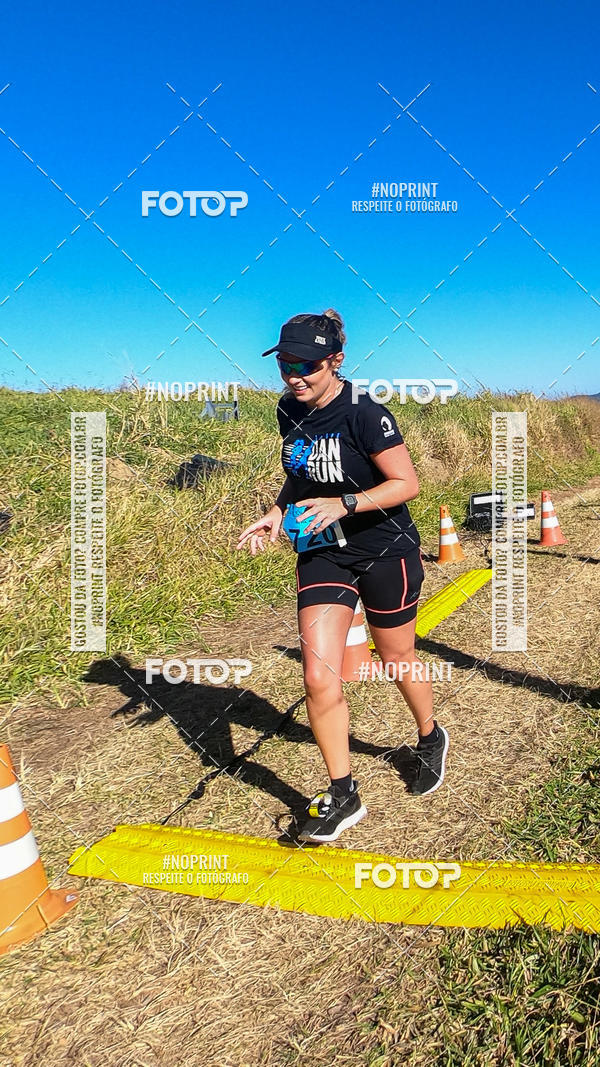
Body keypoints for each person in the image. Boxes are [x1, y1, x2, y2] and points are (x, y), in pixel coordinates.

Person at [236, 309, 449, 843]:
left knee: (396, 657)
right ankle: (343, 793)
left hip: (385, 549)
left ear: (335, 360)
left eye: (305, 364)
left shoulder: (364, 412)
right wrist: (277, 511)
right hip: (323, 551)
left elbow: (407, 483)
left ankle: (429, 736)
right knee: (316, 673)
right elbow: (299, 472)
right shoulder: (289, 409)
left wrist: (346, 503)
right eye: (285, 364)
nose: (293, 376)